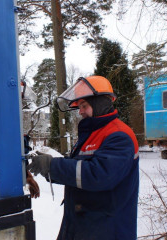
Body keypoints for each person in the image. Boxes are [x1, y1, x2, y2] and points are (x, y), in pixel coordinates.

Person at [28, 76, 139, 240]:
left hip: (107, 228)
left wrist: (52, 166)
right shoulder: (92, 134)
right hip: (83, 224)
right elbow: (79, 166)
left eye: (84, 106)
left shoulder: (119, 136)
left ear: (100, 103)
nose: (80, 111)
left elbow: (98, 175)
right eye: (79, 106)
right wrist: (50, 164)